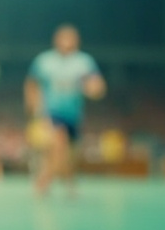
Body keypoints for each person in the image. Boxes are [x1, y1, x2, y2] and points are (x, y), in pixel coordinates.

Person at [25, 24, 106, 196]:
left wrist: (94, 89)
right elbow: (31, 84)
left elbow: (97, 85)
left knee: (69, 155)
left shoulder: (84, 61)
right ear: (56, 40)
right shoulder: (44, 61)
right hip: (51, 112)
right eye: (63, 38)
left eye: (71, 38)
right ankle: (44, 181)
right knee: (58, 145)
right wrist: (33, 106)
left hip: (74, 115)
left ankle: (70, 181)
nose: (66, 42)